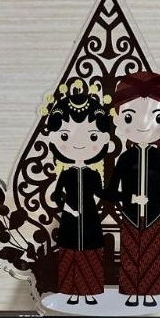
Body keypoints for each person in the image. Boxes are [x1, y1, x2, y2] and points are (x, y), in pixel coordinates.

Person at [106, 71, 160, 307]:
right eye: (130, 117)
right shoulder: (126, 158)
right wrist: (128, 198)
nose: (143, 125)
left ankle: (150, 293)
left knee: (152, 254)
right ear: (118, 119)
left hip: (154, 215)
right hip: (130, 215)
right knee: (130, 253)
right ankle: (131, 293)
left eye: (156, 117)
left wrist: (159, 201)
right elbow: (112, 190)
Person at [47, 78, 112, 305]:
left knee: (91, 252)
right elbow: (56, 195)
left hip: (91, 218)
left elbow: (102, 194)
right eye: (66, 136)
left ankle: (90, 291)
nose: (79, 143)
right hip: (70, 219)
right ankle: (72, 293)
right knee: (70, 253)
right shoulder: (66, 174)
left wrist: (123, 196)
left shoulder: (93, 174)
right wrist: (67, 208)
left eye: (92, 136)